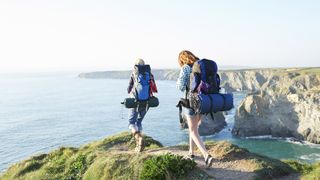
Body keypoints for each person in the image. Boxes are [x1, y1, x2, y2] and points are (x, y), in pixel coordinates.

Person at [176, 50, 214, 167]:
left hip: (190, 102)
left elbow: (181, 86)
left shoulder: (185, 68)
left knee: (192, 130)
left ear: (182, 59)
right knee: (194, 129)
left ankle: (206, 155)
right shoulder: (199, 65)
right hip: (202, 100)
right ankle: (191, 152)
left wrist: (178, 82)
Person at [127, 59, 158, 152]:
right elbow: (154, 88)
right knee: (139, 122)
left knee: (132, 123)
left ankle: (139, 139)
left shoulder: (134, 73)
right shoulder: (150, 74)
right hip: (147, 102)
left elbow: (129, 88)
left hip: (135, 101)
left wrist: (130, 92)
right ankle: (138, 145)